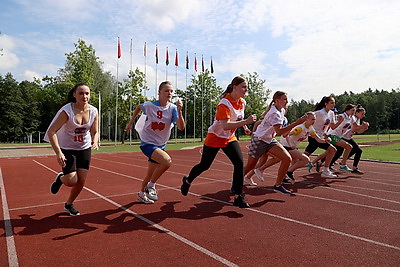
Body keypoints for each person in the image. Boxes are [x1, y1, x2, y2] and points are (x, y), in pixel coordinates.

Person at [180, 76, 256, 208]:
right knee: (204, 165)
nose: (246, 90)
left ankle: (238, 196)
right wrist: (246, 122)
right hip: (215, 137)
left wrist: (245, 127)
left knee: (239, 163)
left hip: (229, 138)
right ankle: (188, 180)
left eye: (247, 87)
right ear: (234, 86)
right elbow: (226, 125)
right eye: (244, 87)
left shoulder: (242, 102)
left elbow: (238, 118)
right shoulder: (224, 104)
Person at [125, 81, 185, 204]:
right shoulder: (149, 105)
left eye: (171, 91)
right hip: (147, 142)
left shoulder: (173, 108)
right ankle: (151, 186)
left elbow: (181, 127)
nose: (169, 93)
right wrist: (131, 122)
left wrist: (179, 111)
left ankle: (141, 193)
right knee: (167, 161)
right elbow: (138, 107)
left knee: (150, 174)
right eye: (166, 91)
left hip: (160, 144)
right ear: (159, 92)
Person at [44, 83, 99, 216]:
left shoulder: (93, 111)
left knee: (81, 181)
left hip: (84, 148)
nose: (84, 96)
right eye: (81, 93)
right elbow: (51, 131)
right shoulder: (66, 111)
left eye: (87, 93)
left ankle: (69, 204)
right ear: (74, 95)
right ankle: (60, 179)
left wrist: (95, 140)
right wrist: (59, 153)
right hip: (68, 148)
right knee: (71, 181)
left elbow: (95, 131)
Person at [243, 91, 307, 195]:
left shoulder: (281, 110)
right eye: (285, 99)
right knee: (250, 165)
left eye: (287, 99)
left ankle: (278, 185)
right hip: (259, 140)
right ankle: (237, 181)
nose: (287, 101)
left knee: (287, 159)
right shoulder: (275, 113)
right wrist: (297, 123)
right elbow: (279, 132)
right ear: (277, 100)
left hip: (269, 140)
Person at [304, 96, 338, 178]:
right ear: (326, 104)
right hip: (314, 137)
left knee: (304, 156)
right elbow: (306, 118)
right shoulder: (319, 113)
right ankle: (326, 170)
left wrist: (325, 134)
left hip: (320, 137)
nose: (333, 104)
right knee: (332, 150)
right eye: (331, 103)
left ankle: (289, 169)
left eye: (334, 103)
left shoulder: (331, 113)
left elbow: (332, 127)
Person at [331, 104, 369, 174]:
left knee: (341, 151)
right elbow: (354, 128)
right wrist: (362, 126)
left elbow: (358, 130)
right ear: (357, 113)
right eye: (362, 114)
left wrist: (364, 128)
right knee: (355, 150)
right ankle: (343, 164)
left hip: (346, 137)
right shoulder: (352, 118)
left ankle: (341, 163)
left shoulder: (356, 119)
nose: (363, 115)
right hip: (344, 137)